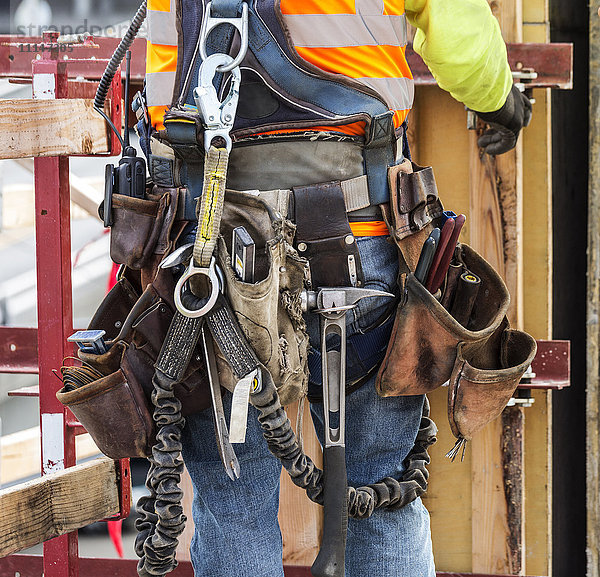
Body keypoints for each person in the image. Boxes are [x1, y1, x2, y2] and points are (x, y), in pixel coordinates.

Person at [142, 1, 532, 575]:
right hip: (359, 235)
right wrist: (500, 100)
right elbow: (460, 35)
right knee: (384, 491)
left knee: (233, 504)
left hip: (212, 249)